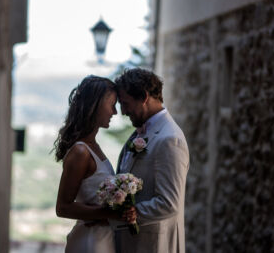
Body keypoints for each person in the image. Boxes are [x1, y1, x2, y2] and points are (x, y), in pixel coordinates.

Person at [53, 75, 136, 253]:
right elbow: (63, 207)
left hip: (102, 238)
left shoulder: (93, 146)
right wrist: (111, 214)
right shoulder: (81, 152)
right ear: (95, 104)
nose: (115, 112)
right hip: (90, 243)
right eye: (112, 104)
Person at [114, 68, 190, 253]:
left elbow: (169, 203)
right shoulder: (141, 131)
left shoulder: (170, 139)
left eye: (125, 103)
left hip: (153, 245)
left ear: (144, 97)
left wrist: (133, 212)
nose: (122, 111)